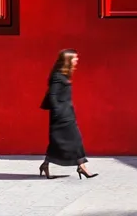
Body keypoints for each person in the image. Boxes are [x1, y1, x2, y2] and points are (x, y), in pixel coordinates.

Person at [39, 49, 97, 179]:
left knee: (69, 140)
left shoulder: (63, 75)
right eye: (75, 58)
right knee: (69, 140)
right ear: (68, 60)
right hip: (61, 115)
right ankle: (81, 167)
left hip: (67, 113)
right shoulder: (58, 76)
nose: (77, 60)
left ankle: (47, 165)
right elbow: (53, 96)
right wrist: (59, 113)